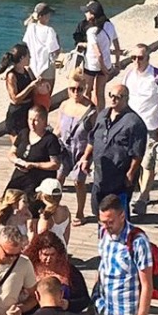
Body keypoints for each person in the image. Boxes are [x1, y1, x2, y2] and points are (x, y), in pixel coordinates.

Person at [81, 82, 148, 218]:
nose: (113, 99)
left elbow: (137, 152)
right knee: (99, 211)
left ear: (126, 99)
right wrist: (86, 158)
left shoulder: (134, 122)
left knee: (118, 214)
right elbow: (93, 139)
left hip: (119, 176)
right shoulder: (103, 115)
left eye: (117, 97)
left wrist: (130, 173)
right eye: (111, 95)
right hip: (100, 174)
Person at [117, 43, 158, 210]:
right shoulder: (129, 74)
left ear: (148, 57)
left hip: (150, 126)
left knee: (148, 162)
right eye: (133, 58)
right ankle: (137, 191)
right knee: (133, 162)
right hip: (130, 126)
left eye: (140, 57)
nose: (136, 61)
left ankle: (144, 197)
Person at [54, 72, 99, 224]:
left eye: (79, 89)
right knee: (58, 178)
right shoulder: (64, 105)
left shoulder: (91, 110)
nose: (75, 92)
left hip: (81, 151)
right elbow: (58, 128)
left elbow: (93, 137)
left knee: (79, 182)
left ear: (85, 88)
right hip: (64, 149)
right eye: (72, 89)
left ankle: (80, 212)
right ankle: (53, 207)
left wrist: (86, 157)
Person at [7, 105, 64, 196]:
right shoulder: (23, 133)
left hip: (39, 181)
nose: (32, 123)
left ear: (44, 121)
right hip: (20, 176)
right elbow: (11, 152)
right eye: (30, 119)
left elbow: (55, 164)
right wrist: (17, 160)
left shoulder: (50, 139)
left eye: (36, 120)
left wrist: (34, 165)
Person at [0, 42, 39, 138]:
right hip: (17, 113)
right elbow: (15, 99)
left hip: (29, 109)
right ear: (22, 58)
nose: (30, 58)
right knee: (17, 145)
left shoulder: (28, 71)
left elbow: (35, 87)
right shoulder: (12, 76)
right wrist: (30, 86)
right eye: (28, 56)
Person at [77, 0, 121, 102]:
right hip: (107, 63)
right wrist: (117, 62)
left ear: (92, 15)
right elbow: (116, 45)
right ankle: (101, 115)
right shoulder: (109, 25)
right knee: (100, 93)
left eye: (87, 12)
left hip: (92, 65)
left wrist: (103, 68)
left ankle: (89, 115)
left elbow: (98, 53)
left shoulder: (92, 31)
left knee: (87, 92)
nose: (85, 14)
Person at [22, 3, 62, 105]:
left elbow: (26, 44)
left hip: (33, 67)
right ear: (42, 16)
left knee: (34, 99)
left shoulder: (31, 28)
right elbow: (54, 51)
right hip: (46, 68)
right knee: (45, 98)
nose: (49, 16)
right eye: (47, 14)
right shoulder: (49, 31)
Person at [33, 178, 74, 249]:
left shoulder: (46, 216)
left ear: (43, 196)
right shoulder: (65, 210)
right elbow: (66, 235)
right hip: (61, 247)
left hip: (49, 252)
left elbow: (42, 238)